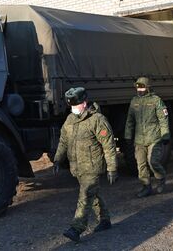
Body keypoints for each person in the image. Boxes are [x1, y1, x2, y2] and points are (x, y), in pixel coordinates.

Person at [53, 87, 118, 243]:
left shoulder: (97, 120)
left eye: (76, 105)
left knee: (85, 196)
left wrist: (112, 168)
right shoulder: (70, 120)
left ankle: (76, 228)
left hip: (92, 167)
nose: (74, 108)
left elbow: (108, 146)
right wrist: (57, 159)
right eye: (71, 106)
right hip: (77, 168)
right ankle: (105, 220)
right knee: (92, 194)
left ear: (85, 102)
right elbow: (63, 142)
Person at [124, 77, 170, 198]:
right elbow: (130, 120)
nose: (140, 90)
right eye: (138, 87)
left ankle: (161, 178)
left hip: (154, 138)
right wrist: (128, 136)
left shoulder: (156, 101)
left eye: (142, 87)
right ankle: (146, 187)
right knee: (141, 164)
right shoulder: (134, 101)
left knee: (152, 161)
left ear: (148, 88)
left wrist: (165, 135)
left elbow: (163, 119)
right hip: (139, 139)